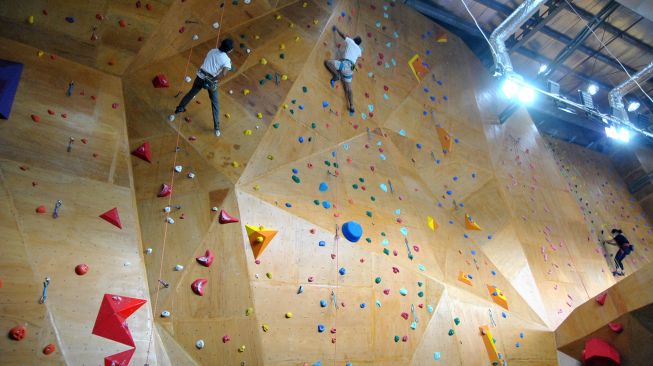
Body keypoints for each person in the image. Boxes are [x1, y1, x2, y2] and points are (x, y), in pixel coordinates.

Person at [171, 38, 234, 137]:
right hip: (210, 81)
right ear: (230, 50)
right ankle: (216, 128)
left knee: (191, 93)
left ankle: (178, 109)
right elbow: (224, 73)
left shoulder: (212, 50)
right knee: (215, 103)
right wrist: (213, 80)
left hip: (200, 76)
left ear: (221, 44)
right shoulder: (227, 60)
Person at [325, 26, 362, 114]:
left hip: (345, 65)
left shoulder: (351, 41)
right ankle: (352, 105)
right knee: (349, 89)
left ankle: (336, 75)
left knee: (328, 62)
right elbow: (356, 60)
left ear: (354, 39)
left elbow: (343, 35)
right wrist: (352, 69)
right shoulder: (359, 51)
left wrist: (337, 29)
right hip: (350, 69)